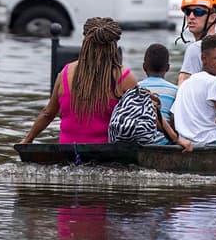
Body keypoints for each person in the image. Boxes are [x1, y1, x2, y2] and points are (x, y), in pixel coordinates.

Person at [20, 16, 137, 144]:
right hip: (106, 156)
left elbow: (48, 113)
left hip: (67, 153)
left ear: (85, 41)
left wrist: (27, 139)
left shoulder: (65, 73)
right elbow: (138, 119)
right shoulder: (125, 77)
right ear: (113, 45)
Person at [169, 34, 216, 146]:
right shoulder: (214, 82)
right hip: (209, 141)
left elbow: (172, 116)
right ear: (204, 58)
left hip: (185, 141)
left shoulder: (186, 83)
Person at [138, 43, 178, 121]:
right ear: (167, 68)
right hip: (166, 132)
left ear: (144, 67)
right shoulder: (176, 91)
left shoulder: (135, 89)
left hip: (140, 132)